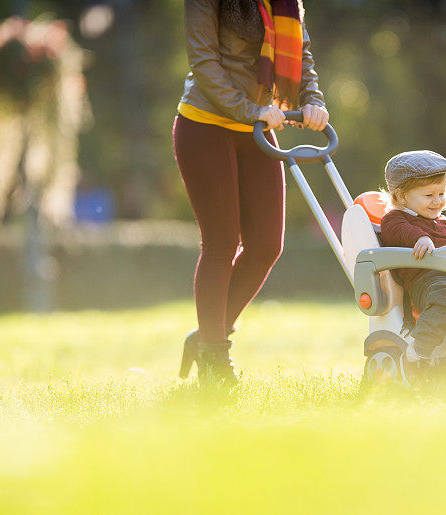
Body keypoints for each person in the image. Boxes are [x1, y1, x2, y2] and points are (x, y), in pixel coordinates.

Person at [173, 0, 329, 384]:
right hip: (205, 125)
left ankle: (207, 336)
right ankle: (214, 357)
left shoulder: (285, 3)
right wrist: (250, 109)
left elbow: (300, 51)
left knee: (264, 247)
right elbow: (203, 62)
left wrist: (313, 100)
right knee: (221, 244)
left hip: (256, 128)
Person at [379, 151, 446, 362]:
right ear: (401, 196)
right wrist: (422, 239)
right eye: (429, 196)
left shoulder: (443, 221)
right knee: (445, 295)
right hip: (428, 281)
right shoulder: (394, 219)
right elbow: (403, 232)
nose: (437, 201)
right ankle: (420, 349)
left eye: (441, 194)